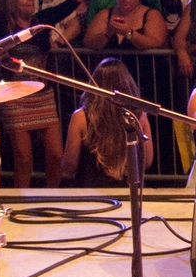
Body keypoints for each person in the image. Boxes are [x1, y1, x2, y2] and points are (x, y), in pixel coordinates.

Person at [62, 59, 154, 188]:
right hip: (127, 191)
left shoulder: (81, 117)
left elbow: (69, 165)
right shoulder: (139, 116)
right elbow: (147, 162)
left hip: (90, 193)